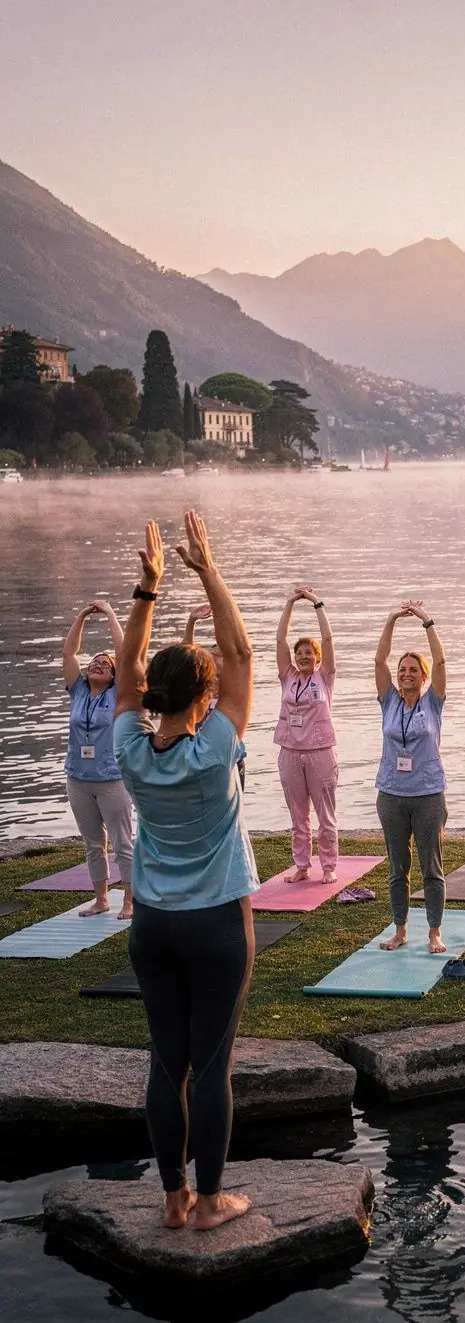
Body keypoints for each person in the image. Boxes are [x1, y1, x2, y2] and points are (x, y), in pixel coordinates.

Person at [113, 511, 259, 1231]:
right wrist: (207, 569)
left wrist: (147, 593)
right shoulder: (215, 748)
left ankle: (171, 1200)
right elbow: (242, 653)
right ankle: (208, 1203)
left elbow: (127, 677)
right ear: (204, 699)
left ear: (153, 699)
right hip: (216, 925)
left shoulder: (133, 752)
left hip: (153, 927)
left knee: (164, 1062)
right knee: (213, 1067)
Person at [374, 600, 448, 956]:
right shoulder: (388, 700)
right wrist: (390, 620)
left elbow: (443, 661)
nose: (406, 674)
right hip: (391, 793)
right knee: (397, 867)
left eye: (413, 670)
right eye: (402, 669)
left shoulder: (433, 701)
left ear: (423, 675)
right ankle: (400, 929)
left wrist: (425, 621)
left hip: (428, 794)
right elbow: (378, 662)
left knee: (431, 867)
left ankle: (434, 931)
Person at [62, 598, 133, 919]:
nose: (98, 663)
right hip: (78, 779)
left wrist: (109, 614)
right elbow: (69, 653)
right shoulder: (77, 690)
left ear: (115, 675)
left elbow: (126, 654)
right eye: (95, 661)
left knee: (123, 843)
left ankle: (130, 901)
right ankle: (102, 898)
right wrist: (80, 616)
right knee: (93, 843)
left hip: (112, 778)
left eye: (106, 663)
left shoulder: (119, 694)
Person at [274, 587, 338, 883]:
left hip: (320, 752)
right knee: (298, 816)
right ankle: (301, 865)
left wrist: (315, 603)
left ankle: (328, 866)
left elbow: (327, 638)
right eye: (299, 654)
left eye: (308, 653)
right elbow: (279, 640)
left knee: (325, 815)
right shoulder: (287, 676)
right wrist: (289, 603)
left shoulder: (324, 677)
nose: (302, 657)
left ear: (317, 657)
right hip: (289, 751)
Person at [182, 603, 245, 791]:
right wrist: (191, 621)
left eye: (222, 653)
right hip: (196, 757)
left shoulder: (234, 691)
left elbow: (242, 652)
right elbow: (186, 654)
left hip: (228, 758)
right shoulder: (197, 688)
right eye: (213, 652)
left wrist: (226, 616)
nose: (217, 655)